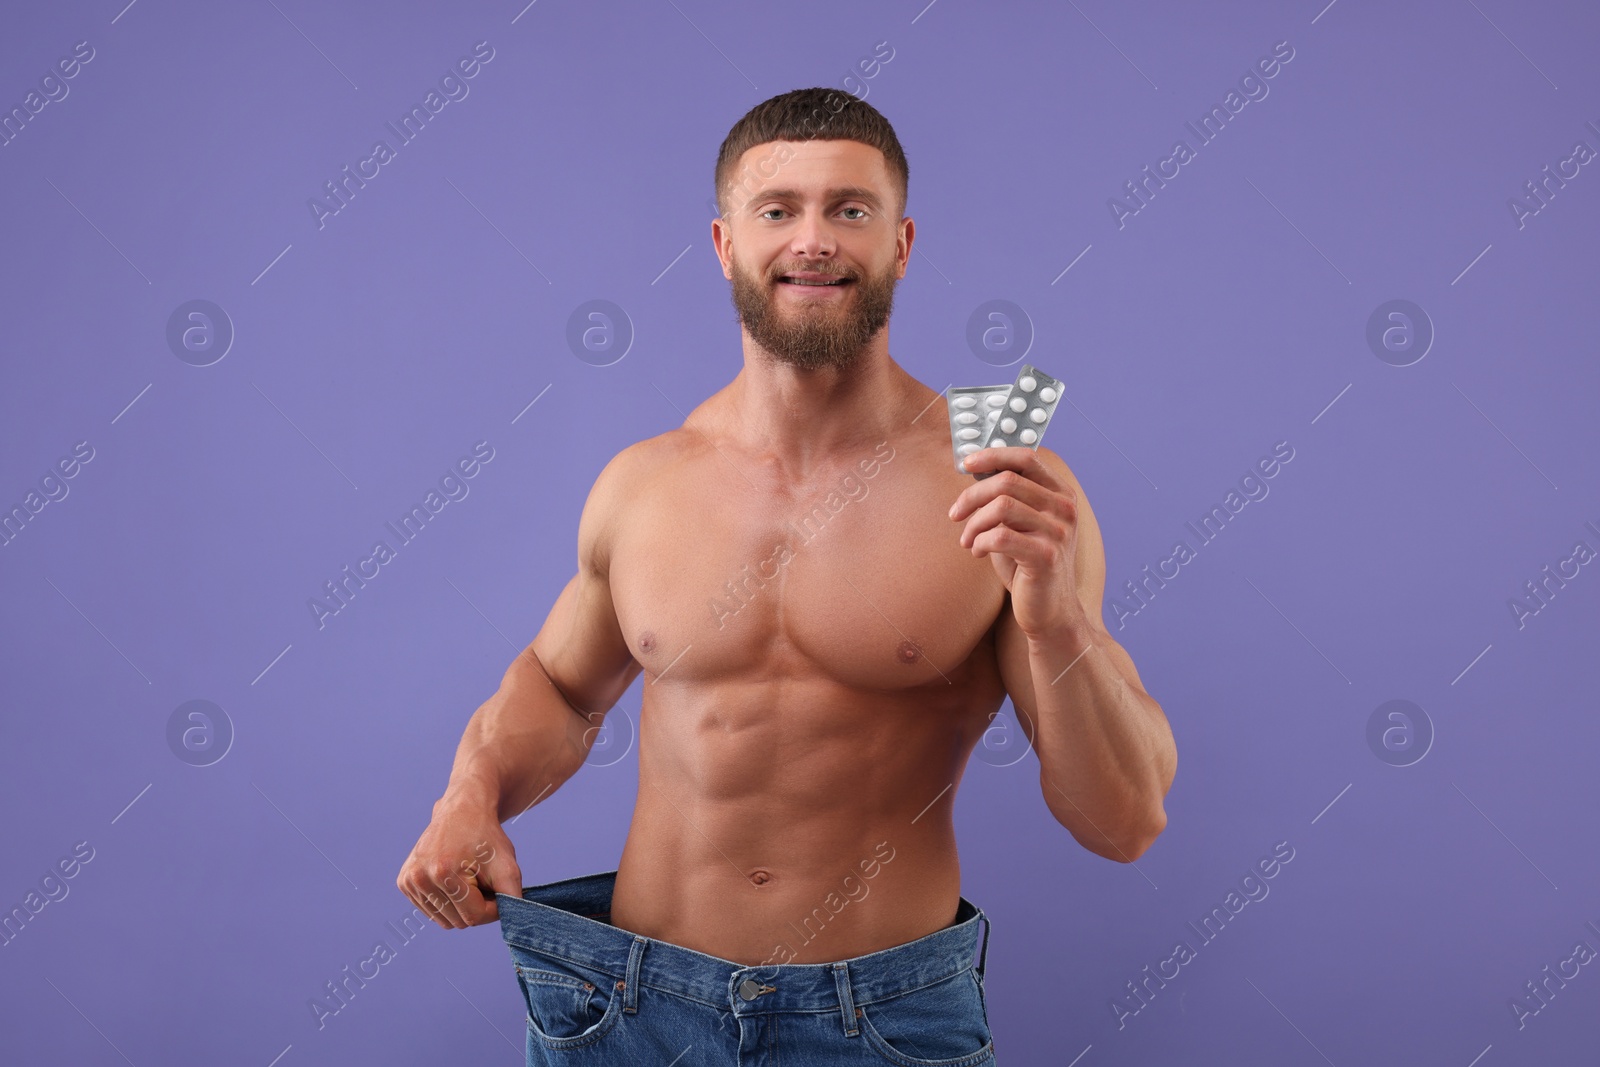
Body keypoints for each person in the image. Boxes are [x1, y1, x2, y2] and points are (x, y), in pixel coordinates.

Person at [397, 86, 1177, 1065]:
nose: (814, 239)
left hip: (875, 1020)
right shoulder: (645, 482)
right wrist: (470, 788)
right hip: (627, 1008)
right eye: (779, 210)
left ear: (900, 243)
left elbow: (1125, 820)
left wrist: (1057, 620)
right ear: (725, 245)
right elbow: (558, 687)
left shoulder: (997, 486)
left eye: (850, 209)